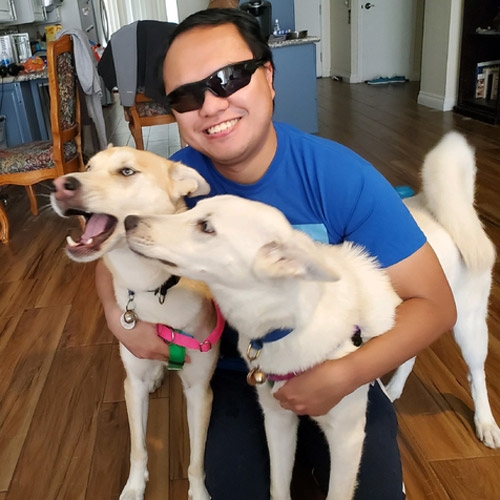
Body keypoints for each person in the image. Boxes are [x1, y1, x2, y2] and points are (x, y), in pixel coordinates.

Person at [95, 8, 456, 500]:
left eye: (228, 78)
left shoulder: (340, 176)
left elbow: (435, 305)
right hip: (238, 372)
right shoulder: (169, 181)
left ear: (268, 77)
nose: (211, 105)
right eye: (185, 95)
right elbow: (114, 242)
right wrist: (120, 319)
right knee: (235, 487)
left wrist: (348, 373)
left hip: (339, 359)